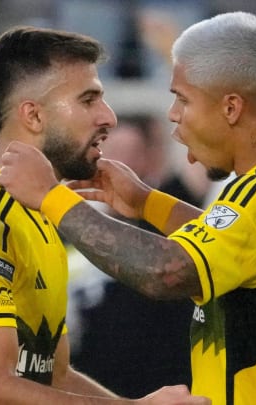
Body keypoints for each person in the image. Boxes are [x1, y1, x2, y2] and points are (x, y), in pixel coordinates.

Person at [0, 11, 256, 405]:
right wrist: (146, 202)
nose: (173, 115)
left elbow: (167, 273)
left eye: (183, 99)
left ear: (231, 108)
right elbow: (247, 251)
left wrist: (51, 196)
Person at [0, 25, 209, 405]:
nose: (108, 117)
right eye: (88, 99)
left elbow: (53, 376)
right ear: (33, 117)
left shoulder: (43, 220)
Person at [68, 113, 204, 397]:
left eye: (126, 154)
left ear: (150, 158)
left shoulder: (170, 211)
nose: (114, 164)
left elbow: (202, 167)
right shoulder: (75, 223)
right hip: (95, 386)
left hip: (163, 385)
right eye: (109, 153)